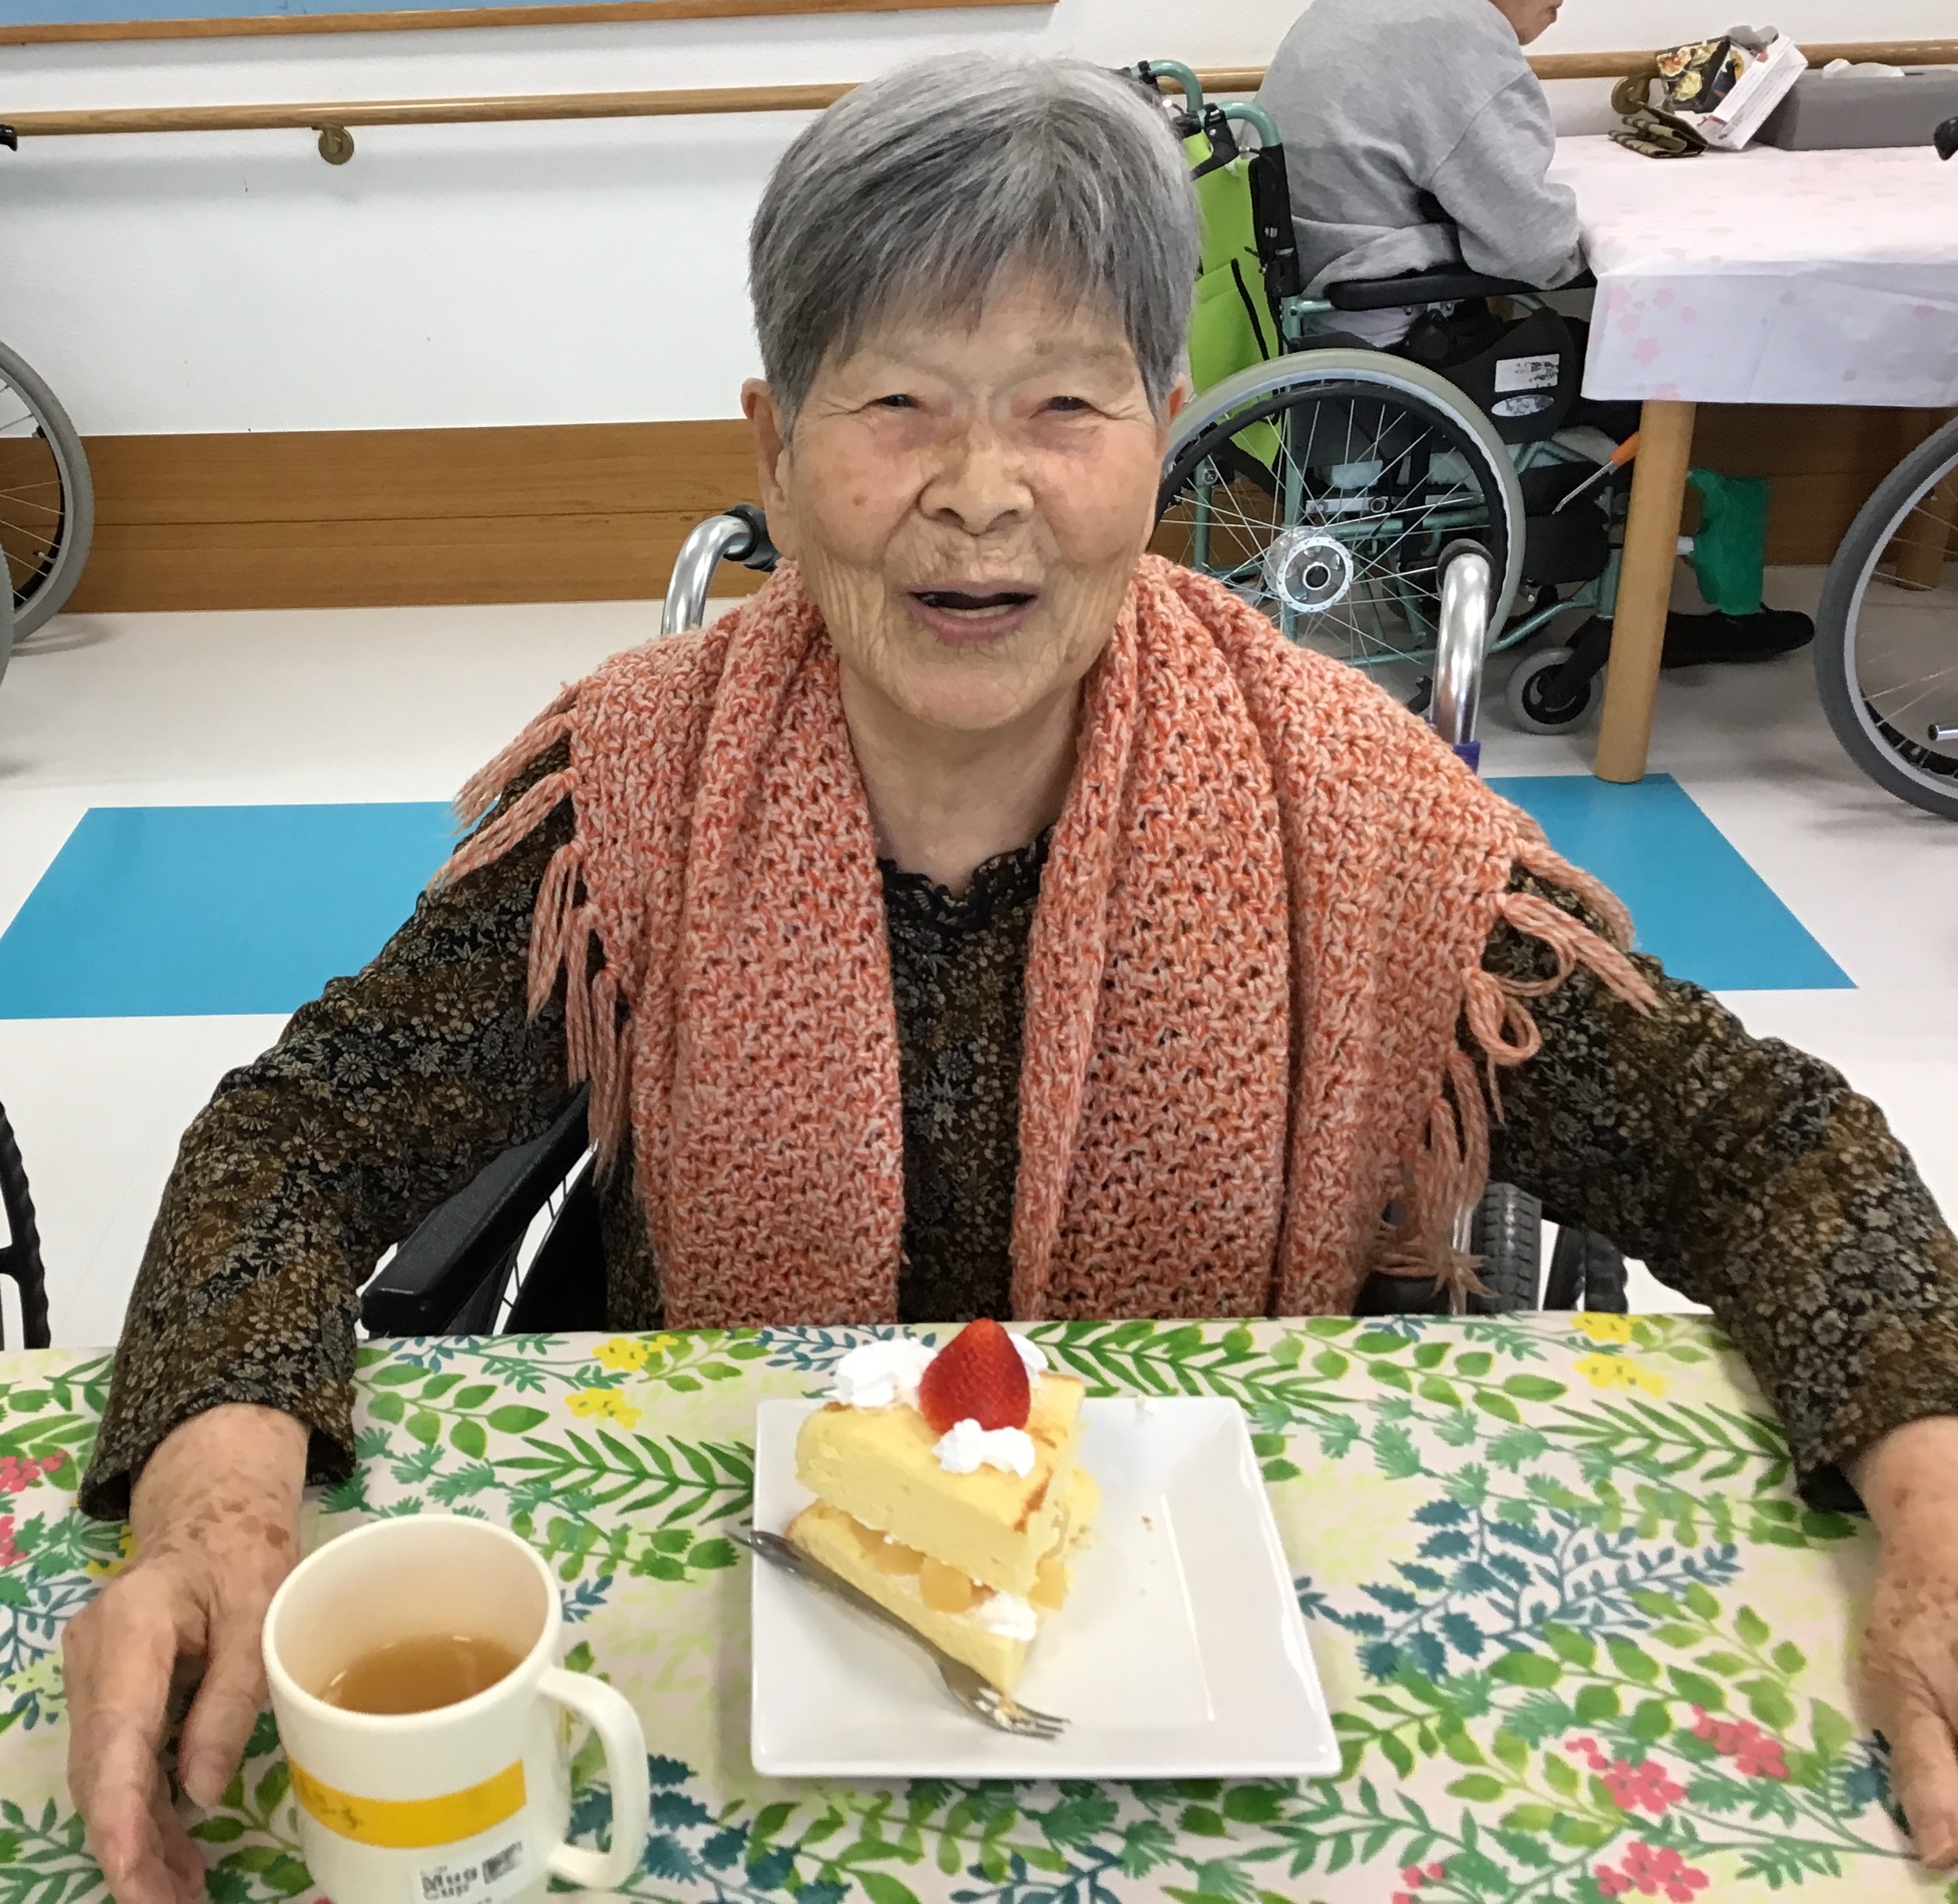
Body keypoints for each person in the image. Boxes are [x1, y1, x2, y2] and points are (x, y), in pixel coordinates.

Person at [59, 53, 1958, 1904]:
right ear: (773, 448)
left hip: (1217, 1698)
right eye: (895, 401)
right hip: (728, 1670)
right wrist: (214, 1513)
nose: (979, 493)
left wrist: (1938, 1510)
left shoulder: (1353, 811)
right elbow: (299, 1136)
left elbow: (1764, 1145)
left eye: (1063, 403)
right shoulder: (636, 800)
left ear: (1166, 423)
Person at [1257, 0, 1584, 345]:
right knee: (1588, 352)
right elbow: (1535, 250)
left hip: (1292, 298)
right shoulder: (1461, 29)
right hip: (1381, 323)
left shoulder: (1353, 10)